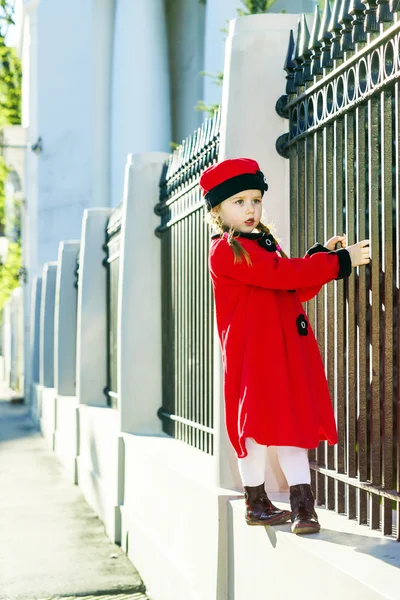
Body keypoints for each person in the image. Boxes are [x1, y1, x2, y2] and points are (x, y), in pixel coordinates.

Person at [199, 157, 370, 534]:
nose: (250, 208)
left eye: (255, 199)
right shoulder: (224, 251)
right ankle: (255, 503)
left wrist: (322, 259)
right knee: (255, 432)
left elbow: (293, 285)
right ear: (218, 210)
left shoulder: (263, 242)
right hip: (254, 358)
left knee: (291, 425)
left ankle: (303, 508)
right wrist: (339, 261)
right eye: (238, 201)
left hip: (284, 352)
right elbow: (279, 275)